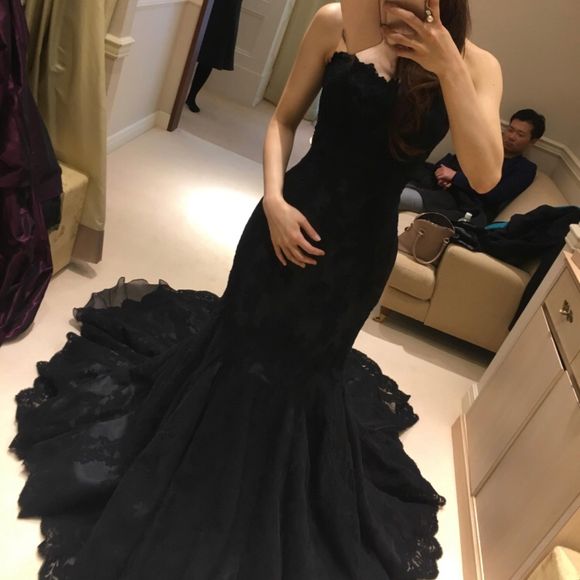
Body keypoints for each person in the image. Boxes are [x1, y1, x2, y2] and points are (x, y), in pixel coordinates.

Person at [10, 1, 503, 578]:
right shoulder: (338, 19)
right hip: (285, 221)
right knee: (240, 348)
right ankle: (199, 469)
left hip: (358, 259)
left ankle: (267, 489)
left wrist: (448, 65)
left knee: (306, 372)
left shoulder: (476, 65)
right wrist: (273, 199)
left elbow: (485, 175)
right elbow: (283, 120)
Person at [399, 109, 544, 223]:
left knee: (397, 196)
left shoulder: (525, 169)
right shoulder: (485, 149)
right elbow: (450, 164)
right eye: (510, 130)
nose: (511, 137)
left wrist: (455, 177)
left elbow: (495, 194)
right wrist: (442, 175)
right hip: (435, 187)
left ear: (533, 141)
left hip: (460, 206)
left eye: (520, 134)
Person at [186, 0, 244, 112]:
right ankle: (178, 92)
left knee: (212, 53)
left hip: (228, 8)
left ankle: (192, 96)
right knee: (190, 44)